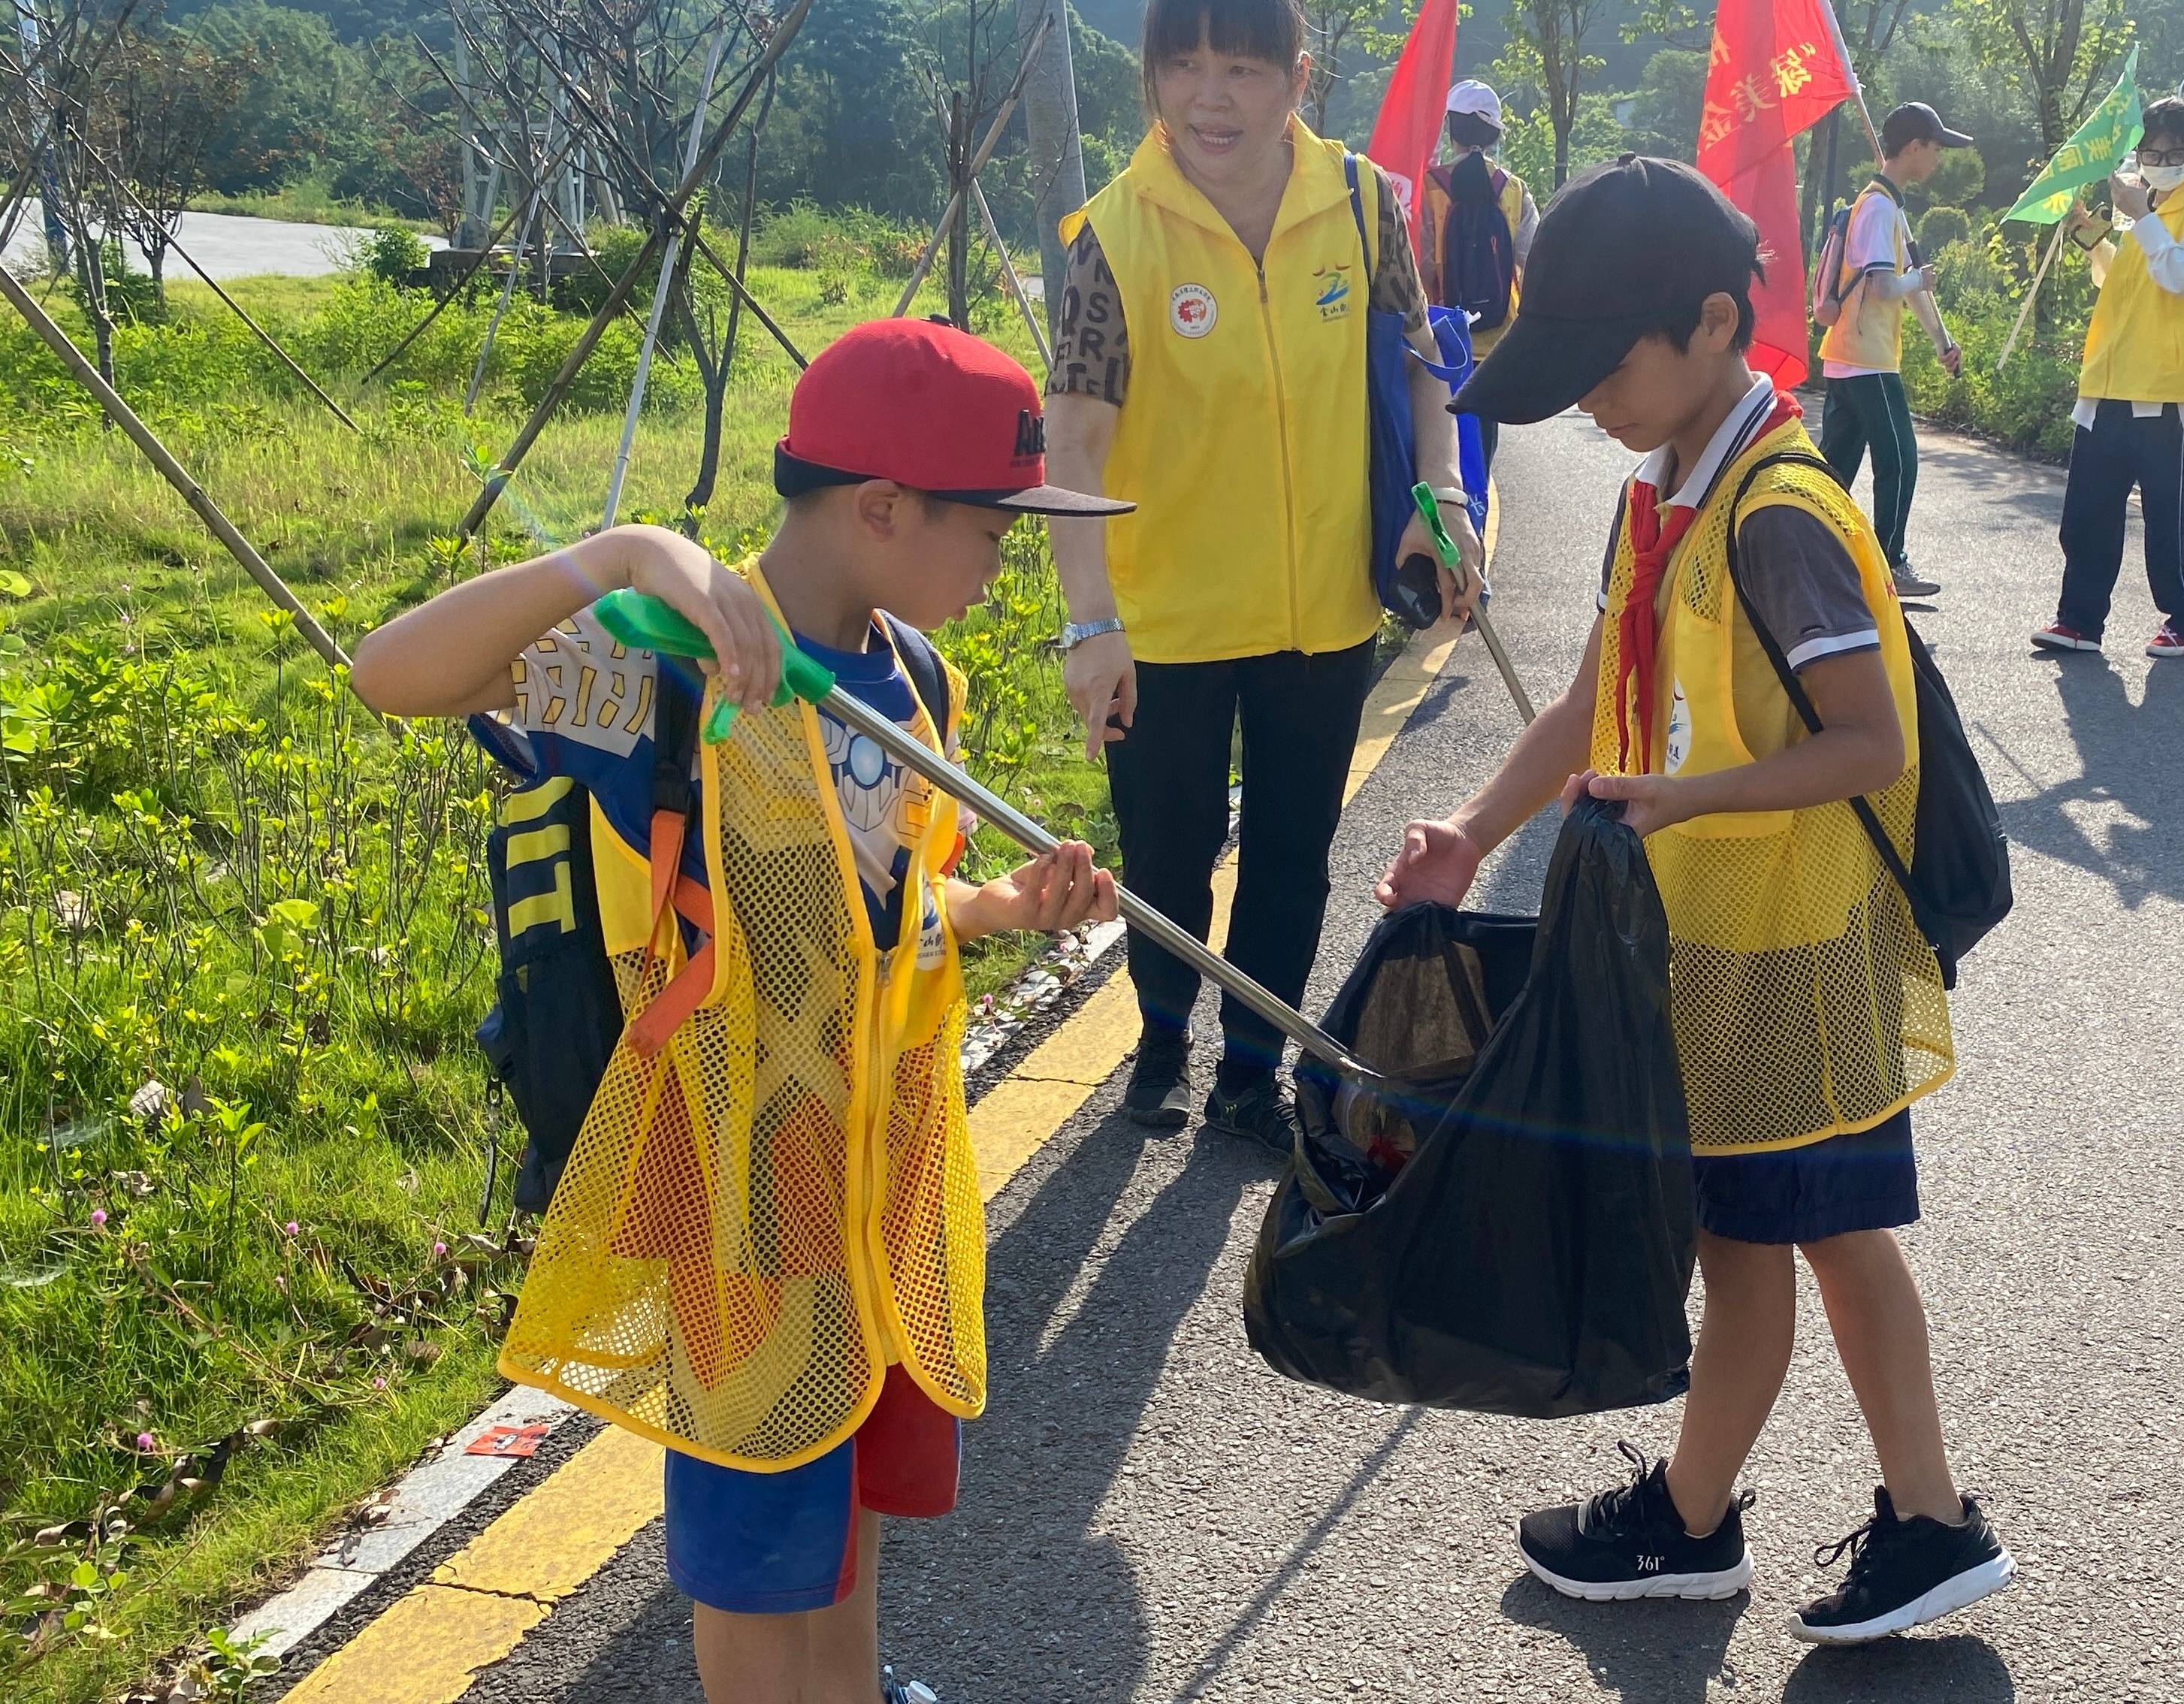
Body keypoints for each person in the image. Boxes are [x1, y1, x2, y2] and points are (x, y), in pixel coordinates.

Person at [349, 319, 1126, 1704]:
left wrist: (1003, 904)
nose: (1004, 563)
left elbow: (875, 926)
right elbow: (392, 673)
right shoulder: (660, 665)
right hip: (740, 1199)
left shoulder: (917, 680)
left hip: (881, 1194)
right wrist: (632, 553)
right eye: (994, 530)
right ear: (884, 510)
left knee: (847, 1518)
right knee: (760, 1544)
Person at [1385, 154, 2012, 1645]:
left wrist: (1690, 798)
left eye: (1606, 366)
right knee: (1787, 1237)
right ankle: (1823, 1516)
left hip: (1790, 954)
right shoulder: (1668, 486)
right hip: (1720, 948)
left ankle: (1743, 1519)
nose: (1588, 401)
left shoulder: (1777, 510)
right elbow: (1607, 682)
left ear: (1719, 324)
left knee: (1783, 1242)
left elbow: (1871, 739)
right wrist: (1475, 830)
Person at [1047, 0, 1482, 1141]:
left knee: (1295, 854)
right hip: (1167, 618)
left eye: (1239, 68)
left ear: (1295, 76)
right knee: (1170, 855)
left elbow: (1425, 360)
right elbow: (1075, 436)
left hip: (1322, 611)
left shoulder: (1363, 202)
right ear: (1153, 78)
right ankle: (1159, 1041)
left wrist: (1441, 500)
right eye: (1182, 67)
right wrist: (1091, 624)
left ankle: (1251, 1068)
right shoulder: (1113, 232)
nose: (1209, 97)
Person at [2035, 96, 2184, 659]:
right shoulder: (2141, 211)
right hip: (2107, 384)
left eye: (2174, 152)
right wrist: (2094, 235)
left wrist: (2142, 217)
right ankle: (2080, 620)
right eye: (2152, 151)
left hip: (2167, 391)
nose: (2161, 160)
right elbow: (2124, 277)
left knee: (2171, 517)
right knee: (2088, 511)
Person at [1815, 101, 1970, 602]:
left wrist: (1943, 343)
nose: (1939, 159)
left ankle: (1809, 552)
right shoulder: (1880, 207)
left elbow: (1908, 291)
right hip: (1868, 359)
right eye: (1935, 148)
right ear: (1914, 148)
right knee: (1900, 459)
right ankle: (1889, 562)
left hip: (1849, 355)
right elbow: (1885, 287)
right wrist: (1917, 278)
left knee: (1834, 467)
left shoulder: (1886, 204)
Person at [1421, 77, 1539, 461]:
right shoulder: (1514, 190)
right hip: (1495, 340)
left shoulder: (1429, 186)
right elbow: (1533, 261)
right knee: (1481, 454)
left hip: (1438, 339)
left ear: (1450, 127)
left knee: (1438, 453)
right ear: (1493, 134)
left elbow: (1416, 264)